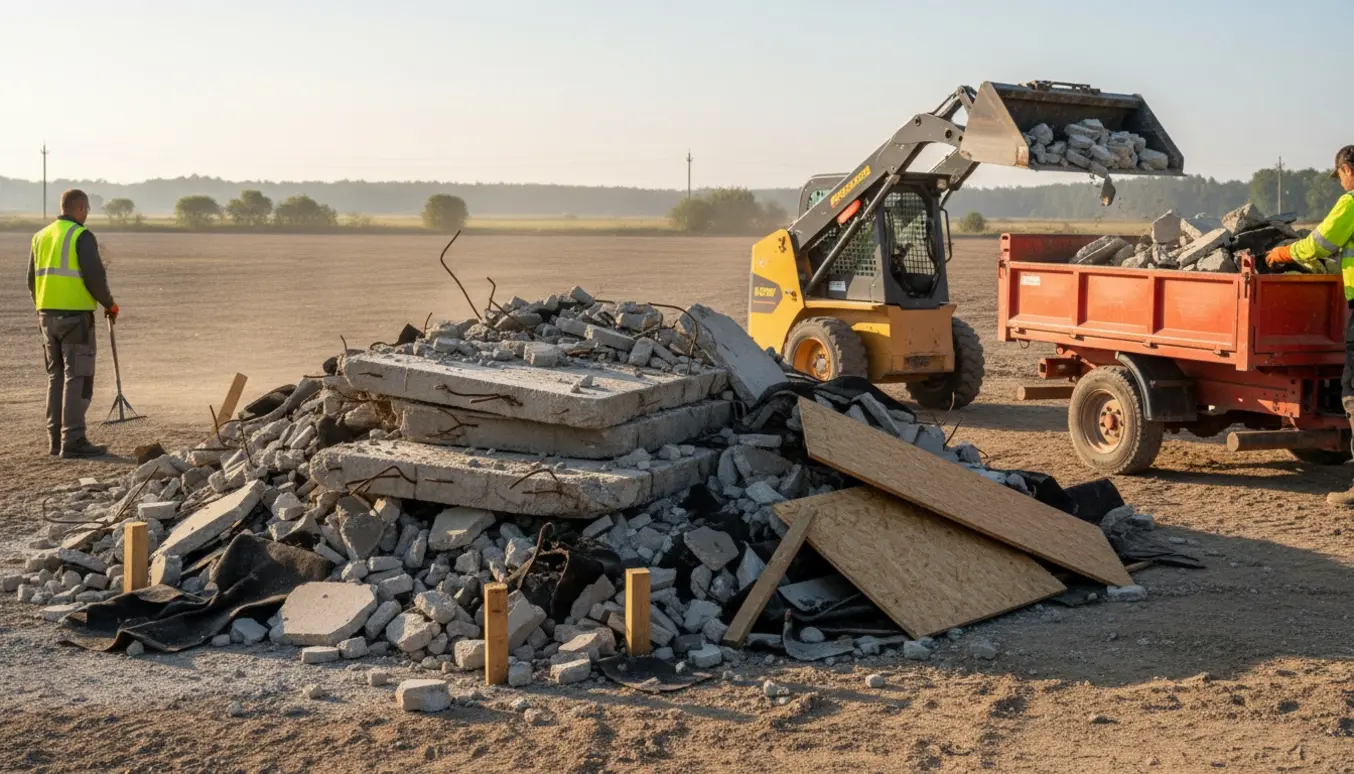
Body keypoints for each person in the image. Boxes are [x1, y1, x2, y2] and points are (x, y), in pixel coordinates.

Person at [1266, 146, 1354, 504]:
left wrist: (1283, 253)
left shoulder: (1351, 203)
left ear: (1347, 169)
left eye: (1341, 176)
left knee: (1353, 390)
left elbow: (1319, 244)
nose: (1341, 182)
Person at [26, 189, 118, 458]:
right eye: (86, 210)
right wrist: (109, 304)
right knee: (77, 376)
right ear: (80, 208)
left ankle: (55, 440)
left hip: (46, 317)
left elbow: (31, 280)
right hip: (75, 318)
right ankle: (74, 439)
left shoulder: (40, 236)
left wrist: (44, 307)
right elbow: (95, 276)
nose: (87, 214)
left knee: (55, 377)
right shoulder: (81, 235)